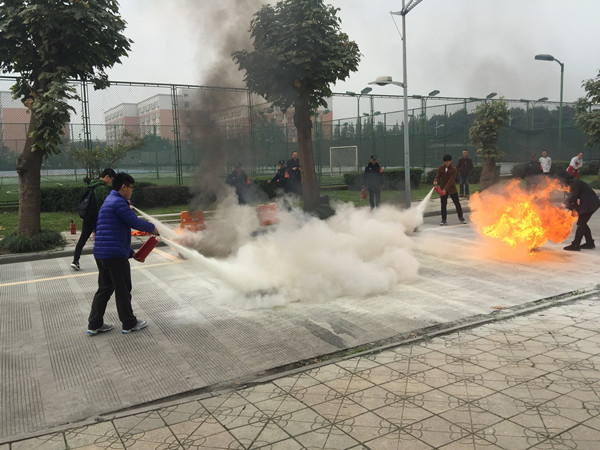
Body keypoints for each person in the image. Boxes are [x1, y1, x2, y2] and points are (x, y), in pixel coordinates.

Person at [87, 172, 158, 335]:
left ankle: (94, 324)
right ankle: (129, 323)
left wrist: (130, 252)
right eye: (131, 187)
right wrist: (152, 228)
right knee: (123, 289)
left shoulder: (110, 200)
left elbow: (114, 231)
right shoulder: (118, 202)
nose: (132, 191)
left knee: (104, 289)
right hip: (114, 255)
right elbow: (134, 222)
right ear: (124, 187)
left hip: (102, 253)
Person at [71, 168, 116, 271]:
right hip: (97, 218)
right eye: (111, 179)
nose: (111, 182)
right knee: (103, 240)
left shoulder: (92, 184)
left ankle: (75, 261)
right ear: (107, 177)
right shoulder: (101, 188)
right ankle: (105, 263)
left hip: (88, 216)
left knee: (83, 239)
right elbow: (107, 203)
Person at [562, 173, 600, 251]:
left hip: (589, 204)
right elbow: (571, 199)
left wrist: (565, 205)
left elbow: (573, 197)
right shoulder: (573, 183)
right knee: (582, 223)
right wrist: (570, 208)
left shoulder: (575, 183)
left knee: (581, 224)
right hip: (588, 203)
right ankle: (590, 243)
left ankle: (575, 245)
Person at [434, 154, 467, 226]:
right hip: (442, 189)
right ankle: (443, 219)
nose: (446, 163)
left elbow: (450, 181)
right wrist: (436, 181)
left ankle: (461, 217)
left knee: (457, 203)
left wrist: (445, 189)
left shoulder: (453, 169)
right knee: (443, 204)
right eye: (445, 162)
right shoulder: (441, 168)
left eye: (448, 162)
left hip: (452, 189)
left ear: (451, 161)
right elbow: (437, 176)